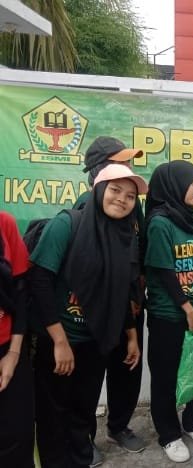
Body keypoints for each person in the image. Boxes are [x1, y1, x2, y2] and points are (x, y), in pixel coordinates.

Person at [31, 164, 146, 468]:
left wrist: (131, 336)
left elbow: (121, 291)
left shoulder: (124, 236)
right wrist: (59, 342)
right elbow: (39, 280)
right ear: (98, 190)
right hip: (59, 341)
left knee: (82, 417)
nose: (122, 199)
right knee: (53, 419)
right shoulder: (67, 224)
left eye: (130, 196)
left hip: (96, 343)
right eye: (115, 190)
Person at [76, 136, 147, 463]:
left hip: (130, 306)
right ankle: (84, 437)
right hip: (96, 308)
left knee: (128, 369)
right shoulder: (84, 208)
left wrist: (137, 295)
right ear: (98, 171)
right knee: (88, 377)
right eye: (120, 162)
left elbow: (140, 248)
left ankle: (118, 426)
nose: (127, 169)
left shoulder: (134, 206)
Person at [144, 160, 193, 463]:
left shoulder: (191, 221)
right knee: (166, 377)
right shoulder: (159, 223)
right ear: (174, 185)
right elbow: (164, 273)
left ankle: (192, 422)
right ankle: (169, 434)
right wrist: (188, 310)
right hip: (169, 317)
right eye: (192, 183)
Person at [0, 212, 33, 468]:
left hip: (8, 350)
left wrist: (13, 354)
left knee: (16, 436)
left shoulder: (5, 223)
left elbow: (21, 292)